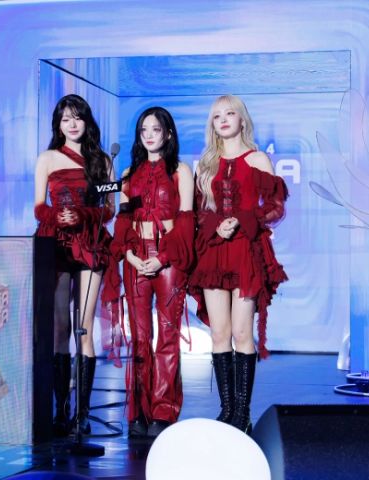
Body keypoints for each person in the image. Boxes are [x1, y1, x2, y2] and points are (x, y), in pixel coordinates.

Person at [190, 95, 288, 433]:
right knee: (219, 333)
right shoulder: (206, 164)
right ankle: (227, 410)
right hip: (214, 251)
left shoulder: (257, 158)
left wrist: (243, 220)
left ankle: (242, 414)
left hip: (246, 249)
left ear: (242, 119)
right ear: (212, 124)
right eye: (217, 115)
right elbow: (198, 212)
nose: (223, 119)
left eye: (230, 113)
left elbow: (276, 206)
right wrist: (215, 225)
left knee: (242, 331)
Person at [34, 94, 118, 436]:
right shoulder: (47, 158)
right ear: (58, 124)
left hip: (89, 242)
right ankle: (61, 410)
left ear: (87, 121)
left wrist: (82, 214)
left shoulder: (102, 160)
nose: (72, 124)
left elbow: (110, 209)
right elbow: (39, 207)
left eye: (77, 117)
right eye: (66, 118)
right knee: (60, 327)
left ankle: (82, 413)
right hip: (55, 243)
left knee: (83, 327)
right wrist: (57, 216)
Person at [111, 107, 195, 438]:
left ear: (168, 134)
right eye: (143, 130)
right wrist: (130, 256)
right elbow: (122, 220)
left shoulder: (180, 171)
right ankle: (139, 411)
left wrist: (162, 258)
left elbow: (186, 221)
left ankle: (163, 410)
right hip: (135, 257)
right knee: (140, 337)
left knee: (168, 334)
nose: (148, 135)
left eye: (155, 129)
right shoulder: (128, 173)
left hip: (168, 258)